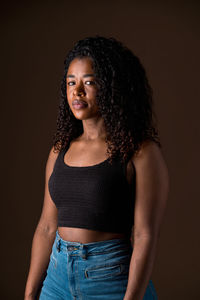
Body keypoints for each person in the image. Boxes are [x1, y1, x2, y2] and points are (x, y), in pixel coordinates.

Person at [24, 36, 169, 300]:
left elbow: (144, 234)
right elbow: (46, 226)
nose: (77, 91)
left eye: (88, 82)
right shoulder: (60, 149)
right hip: (56, 279)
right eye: (71, 82)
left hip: (111, 279)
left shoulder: (140, 152)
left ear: (112, 87)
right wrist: (30, 293)